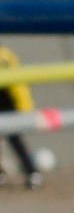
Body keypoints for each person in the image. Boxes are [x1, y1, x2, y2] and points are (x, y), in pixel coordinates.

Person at [0, 46, 42, 188]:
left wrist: (25, 106)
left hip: (7, 103)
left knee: (15, 139)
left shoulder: (5, 55)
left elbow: (18, 85)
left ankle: (32, 172)